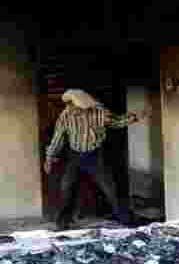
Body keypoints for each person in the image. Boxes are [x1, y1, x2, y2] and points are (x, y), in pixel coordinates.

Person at [44, 89, 150, 230]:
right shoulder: (65, 116)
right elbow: (58, 139)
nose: (70, 109)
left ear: (82, 106)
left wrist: (135, 117)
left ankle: (126, 220)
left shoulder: (99, 112)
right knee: (67, 187)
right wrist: (49, 158)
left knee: (111, 189)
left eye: (73, 107)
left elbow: (116, 122)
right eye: (68, 106)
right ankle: (63, 223)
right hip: (75, 155)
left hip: (95, 155)